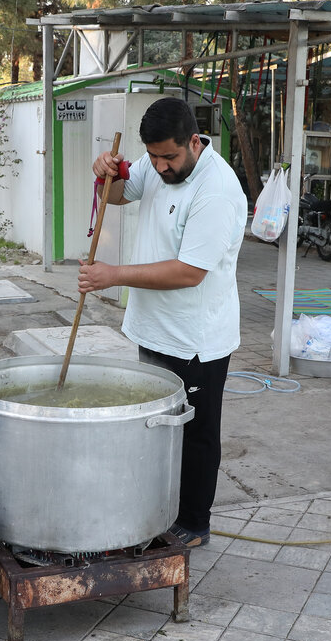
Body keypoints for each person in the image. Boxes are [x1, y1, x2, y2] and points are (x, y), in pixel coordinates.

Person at [79, 96, 248, 548]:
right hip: (154, 330)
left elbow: (189, 272)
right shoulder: (157, 166)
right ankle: (159, 512)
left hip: (196, 339)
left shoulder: (216, 190)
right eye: (153, 157)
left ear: (194, 141)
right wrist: (104, 173)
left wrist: (113, 276)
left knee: (194, 434)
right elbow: (116, 195)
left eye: (170, 156)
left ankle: (194, 524)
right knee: (158, 429)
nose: (161, 166)